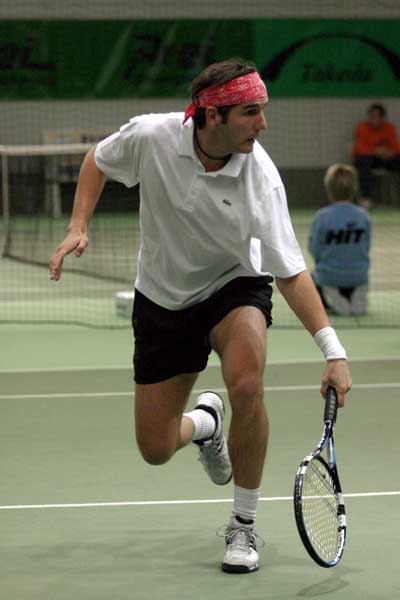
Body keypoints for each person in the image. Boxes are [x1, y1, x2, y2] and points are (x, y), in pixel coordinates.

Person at [49, 58, 352, 574]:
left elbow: (290, 273)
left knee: (248, 383)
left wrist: (334, 351)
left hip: (235, 285)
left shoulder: (261, 178)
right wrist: (78, 224)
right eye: (251, 112)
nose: (263, 123)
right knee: (155, 447)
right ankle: (207, 425)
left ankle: (244, 524)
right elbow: (98, 159)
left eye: (263, 110)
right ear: (213, 116)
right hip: (163, 298)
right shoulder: (152, 137)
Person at [309, 164, 371, 316]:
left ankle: (332, 296)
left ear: (329, 189)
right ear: (354, 189)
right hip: (359, 275)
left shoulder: (322, 217)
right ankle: (356, 293)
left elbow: (314, 248)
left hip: (329, 275)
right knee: (355, 277)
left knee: (311, 278)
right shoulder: (363, 216)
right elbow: (366, 246)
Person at [353, 103, 400, 207]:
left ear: (382, 118)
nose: (374, 119)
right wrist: (375, 151)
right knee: (363, 161)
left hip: (385, 159)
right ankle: (366, 198)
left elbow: (396, 148)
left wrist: (388, 152)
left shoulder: (389, 128)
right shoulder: (362, 127)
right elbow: (358, 149)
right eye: (372, 116)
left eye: (377, 116)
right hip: (367, 160)